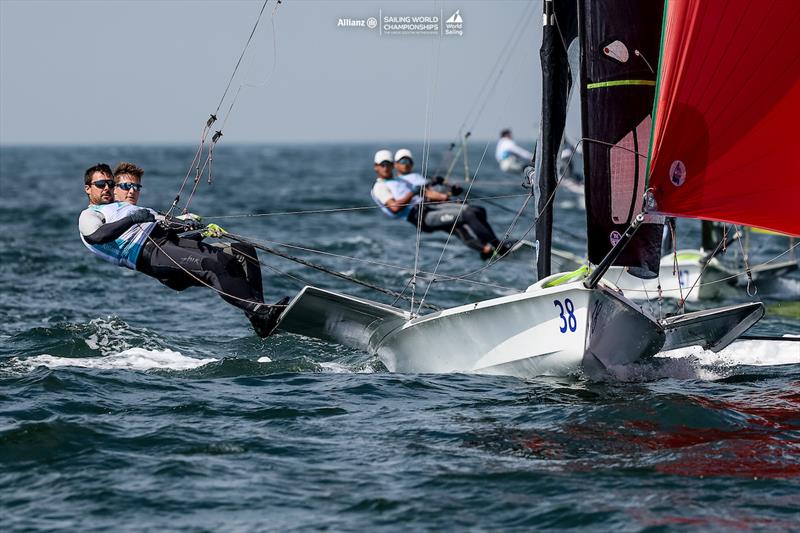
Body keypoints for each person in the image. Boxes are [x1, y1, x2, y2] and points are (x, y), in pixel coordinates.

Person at [78, 163, 286, 337]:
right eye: (100, 184)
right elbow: (97, 236)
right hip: (151, 253)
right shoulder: (90, 215)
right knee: (214, 264)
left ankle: (259, 315)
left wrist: (199, 229)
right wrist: (131, 219)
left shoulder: (129, 209)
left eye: (109, 183)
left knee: (241, 251)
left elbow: (170, 228)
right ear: (88, 188)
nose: (106, 187)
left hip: (170, 244)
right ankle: (260, 312)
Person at [371, 149, 512, 259]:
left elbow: (426, 194)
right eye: (383, 165)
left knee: (477, 210)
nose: (386, 167)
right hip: (420, 217)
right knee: (467, 215)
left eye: (388, 164)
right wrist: (413, 193)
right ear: (376, 167)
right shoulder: (380, 187)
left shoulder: (398, 181)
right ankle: (498, 248)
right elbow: (395, 208)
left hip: (429, 208)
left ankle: (490, 248)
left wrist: (449, 196)